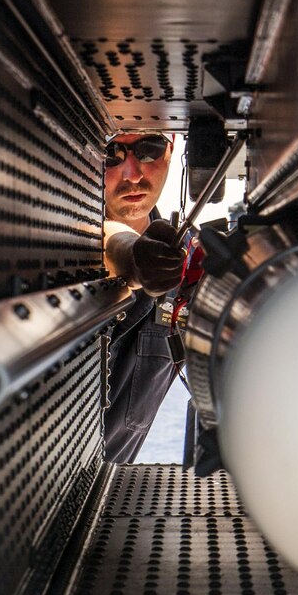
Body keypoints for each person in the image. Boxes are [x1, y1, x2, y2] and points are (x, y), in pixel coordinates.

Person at [100, 132, 187, 463]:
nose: (132, 174)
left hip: (105, 491)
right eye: (111, 154)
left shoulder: (190, 263)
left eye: (148, 151)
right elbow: (108, 243)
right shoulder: (53, 241)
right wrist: (134, 259)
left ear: (170, 149)